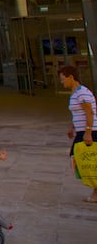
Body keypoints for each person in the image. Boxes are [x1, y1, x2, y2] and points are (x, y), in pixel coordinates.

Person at [59, 64, 97, 202]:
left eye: (63, 79)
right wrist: (72, 127)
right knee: (80, 159)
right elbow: (77, 113)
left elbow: (90, 113)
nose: (62, 82)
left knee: (86, 159)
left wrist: (88, 132)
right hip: (81, 130)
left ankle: (96, 191)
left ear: (71, 77)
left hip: (90, 131)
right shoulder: (75, 93)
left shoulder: (83, 93)